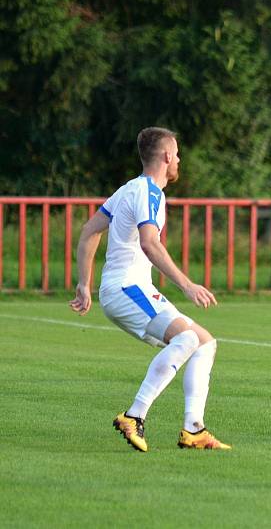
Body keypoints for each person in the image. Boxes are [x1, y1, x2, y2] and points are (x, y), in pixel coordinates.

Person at [69, 127, 230, 452]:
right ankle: (134, 415)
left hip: (124, 288)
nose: (179, 160)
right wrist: (186, 284)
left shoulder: (130, 189)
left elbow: (89, 231)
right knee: (187, 339)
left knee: (204, 343)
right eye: (177, 154)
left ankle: (193, 429)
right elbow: (149, 243)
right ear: (167, 156)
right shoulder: (149, 194)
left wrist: (85, 284)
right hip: (128, 287)